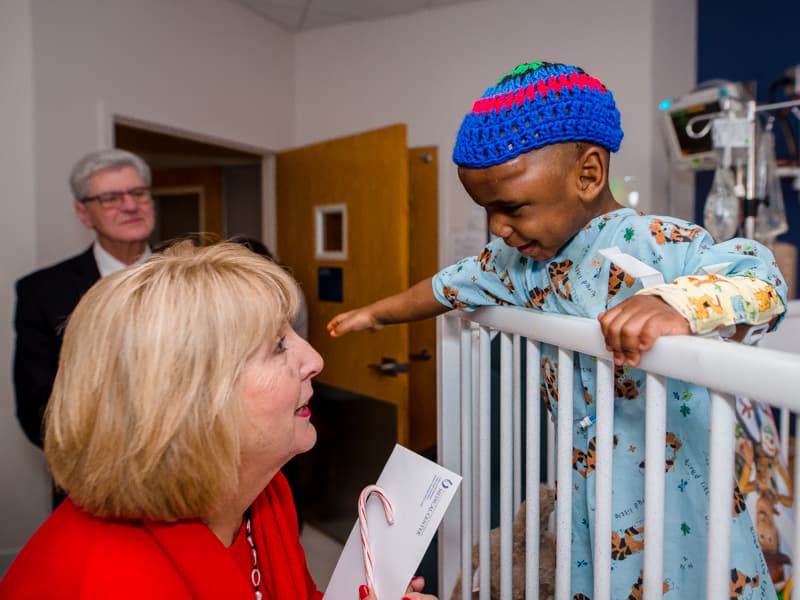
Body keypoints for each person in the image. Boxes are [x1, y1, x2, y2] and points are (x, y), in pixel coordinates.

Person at [327, 61, 787, 598]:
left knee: (693, 578)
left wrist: (675, 302)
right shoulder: (519, 263)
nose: (498, 227)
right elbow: (445, 285)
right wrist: (376, 313)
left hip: (681, 482)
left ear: (588, 174)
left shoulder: (655, 242)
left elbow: (761, 278)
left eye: (512, 207)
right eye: (487, 211)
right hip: (588, 482)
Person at [0, 242, 435, 600]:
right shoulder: (103, 582)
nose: (315, 360)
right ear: (189, 400)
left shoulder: (264, 492)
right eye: (278, 346)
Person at [13, 148, 155, 451]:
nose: (130, 206)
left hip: (202, 478)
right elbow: (37, 409)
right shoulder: (42, 292)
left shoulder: (196, 276)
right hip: (94, 479)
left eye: (138, 193)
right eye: (111, 198)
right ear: (83, 213)